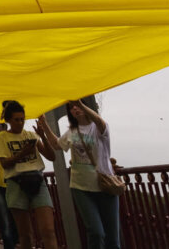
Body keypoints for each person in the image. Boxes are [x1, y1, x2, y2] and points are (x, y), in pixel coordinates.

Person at [38, 102, 118, 249]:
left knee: (112, 237)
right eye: (71, 108)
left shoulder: (98, 127)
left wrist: (79, 102)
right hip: (81, 187)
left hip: (105, 185)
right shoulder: (72, 132)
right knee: (96, 232)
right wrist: (44, 124)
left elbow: (100, 121)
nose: (75, 109)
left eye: (78, 106)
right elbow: (56, 145)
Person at [0, 100, 57, 249]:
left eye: (22, 119)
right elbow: (4, 163)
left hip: (37, 180)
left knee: (48, 230)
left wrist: (43, 137)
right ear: (8, 120)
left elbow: (51, 156)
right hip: (16, 183)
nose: (20, 123)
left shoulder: (31, 135)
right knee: (25, 234)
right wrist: (23, 153)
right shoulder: (2, 137)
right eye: (16, 120)